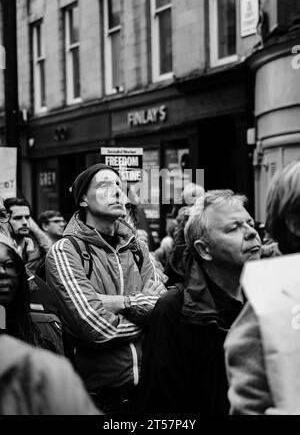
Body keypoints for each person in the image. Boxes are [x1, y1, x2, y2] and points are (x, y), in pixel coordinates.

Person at [45, 163, 166, 414]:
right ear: (83, 201)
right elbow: (95, 327)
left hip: (150, 392)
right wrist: (141, 308)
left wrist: (116, 302)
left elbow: (163, 311)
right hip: (98, 400)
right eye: (104, 185)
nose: (117, 192)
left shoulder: (137, 247)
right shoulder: (67, 251)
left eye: (119, 186)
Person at [138, 190, 261, 415]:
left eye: (250, 223)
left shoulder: (266, 295)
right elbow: (159, 405)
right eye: (234, 228)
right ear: (204, 249)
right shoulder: (175, 309)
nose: (252, 232)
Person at [225, 160, 300, 415]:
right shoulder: (271, 298)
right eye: (233, 228)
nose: (248, 232)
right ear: (294, 223)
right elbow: (249, 403)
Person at [4, 197, 52, 274]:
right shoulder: (2, 249)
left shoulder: (39, 248)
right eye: (18, 218)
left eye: (27, 217)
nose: (25, 222)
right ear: (4, 220)